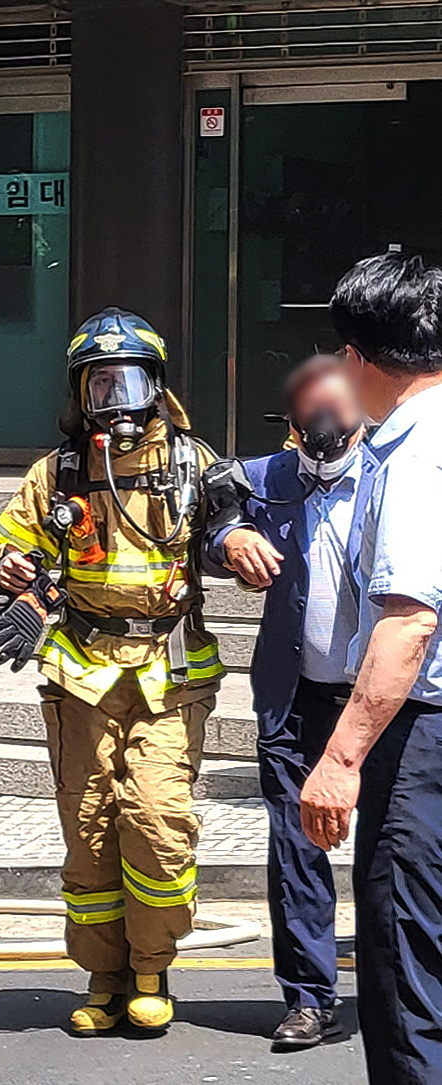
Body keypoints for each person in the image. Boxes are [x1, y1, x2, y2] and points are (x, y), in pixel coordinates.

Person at [0, 307, 223, 1036]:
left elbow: (235, 530)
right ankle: (103, 975)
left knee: (155, 822)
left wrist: (240, 541)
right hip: (83, 671)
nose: (115, 399)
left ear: (157, 387)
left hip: (166, 673)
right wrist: (12, 571)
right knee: (87, 831)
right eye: (99, 384)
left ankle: (151, 967)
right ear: (78, 395)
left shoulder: (193, 465)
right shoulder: (57, 475)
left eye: (129, 381)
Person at [202, 355, 372, 1049]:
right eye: (310, 411)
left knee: (397, 849)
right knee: (296, 846)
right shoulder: (267, 478)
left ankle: (404, 984)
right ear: (295, 423)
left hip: (385, 696)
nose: (325, 422)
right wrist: (230, 536)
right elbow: (208, 515)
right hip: (295, 694)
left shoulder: (398, 474)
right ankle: (309, 996)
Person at [301, 252, 442, 1083]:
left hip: (420, 741)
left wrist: (342, 755)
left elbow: (410, 621)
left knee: (406, 972)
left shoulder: (414, 456)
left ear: (356, 358)